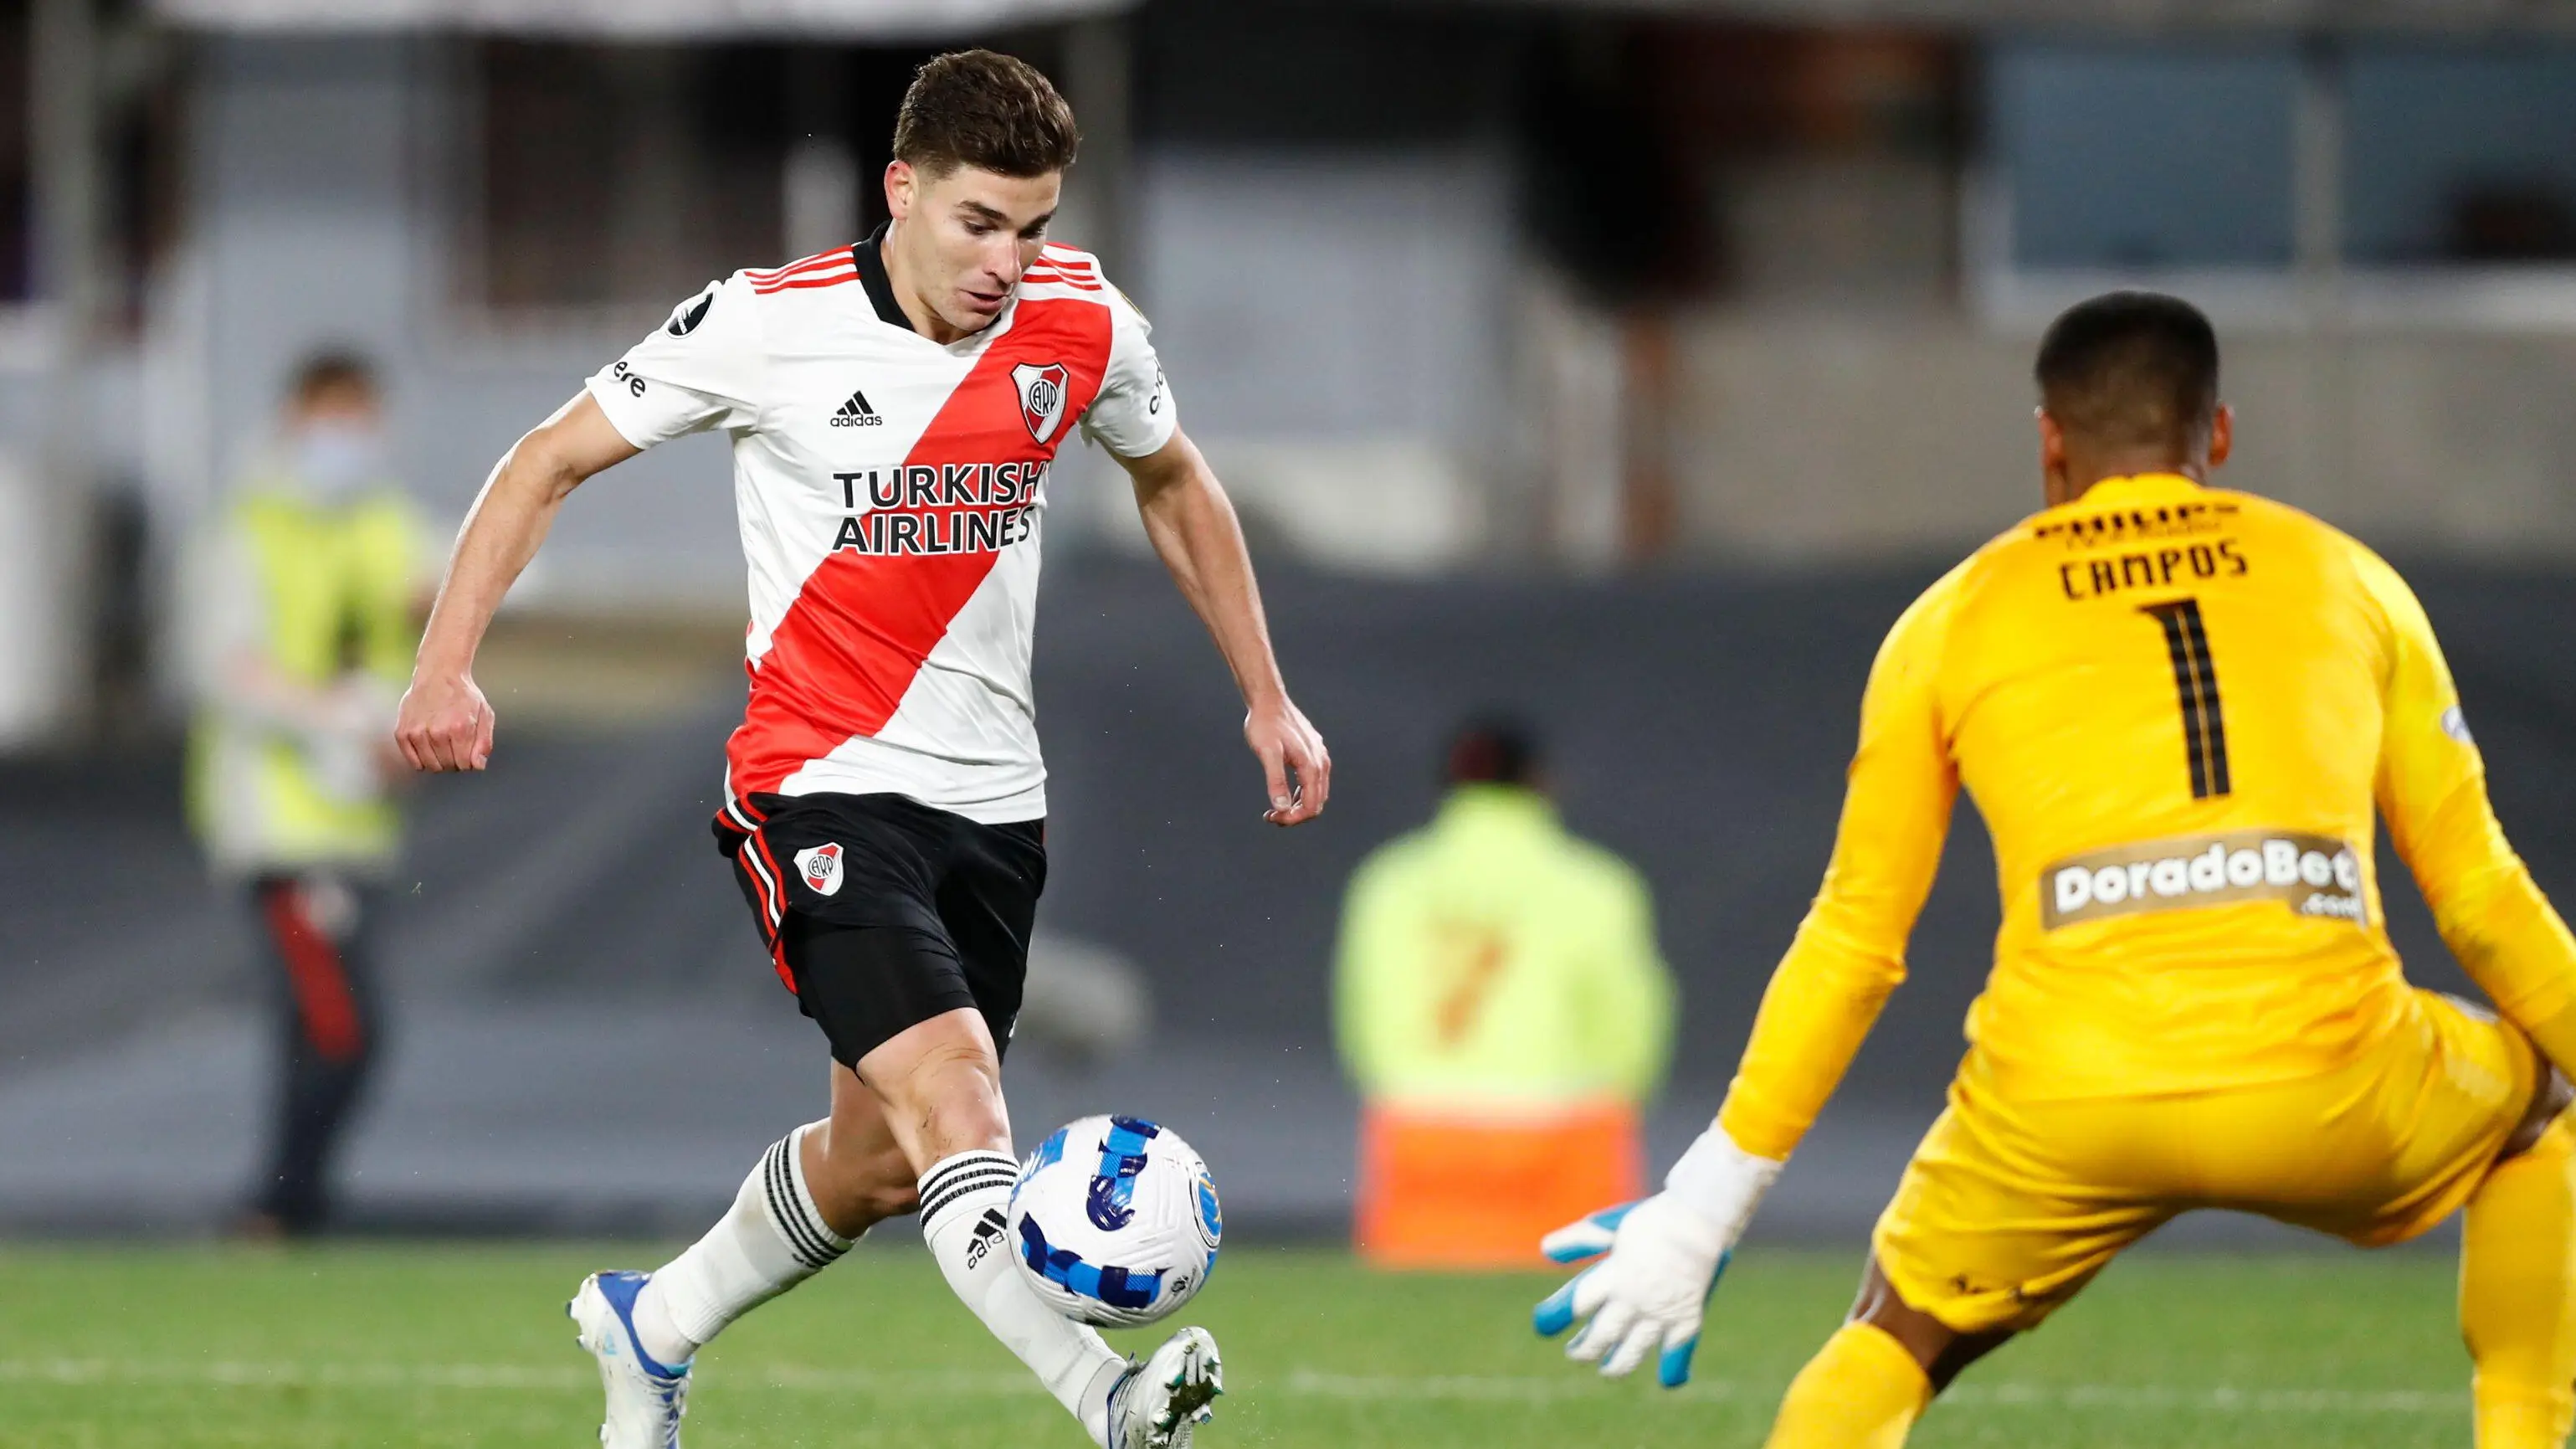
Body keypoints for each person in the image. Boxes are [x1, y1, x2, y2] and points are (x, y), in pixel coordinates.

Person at [393, 50, 1329, 1449]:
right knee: (960, 1099)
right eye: (977, 223)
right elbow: (544, 459)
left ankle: (651, 1328)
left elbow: (1174, 479)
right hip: (816, 783)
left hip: (995, 811)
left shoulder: (1080, 324)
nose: (1008, 261)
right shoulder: (764, 326)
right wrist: (445, 662)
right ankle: (1113, 1404)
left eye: (1034, 227)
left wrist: (1266, 693)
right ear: (901, 189)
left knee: (880, 1165)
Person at [1534, 291, 2576, 1449]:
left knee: (1894, 1334)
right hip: (2329, 1082)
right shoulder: (2352, 580)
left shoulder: (1948, 618)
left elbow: (1854, 939)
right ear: (2216, 437)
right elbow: (2479, 899)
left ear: (2048, 440)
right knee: (2533, 1110)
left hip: (2067, 1100)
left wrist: (1703, 1206)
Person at [181, 349, 427, 1236]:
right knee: (338, 1028)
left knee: (322, 1031)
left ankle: (288, 1210)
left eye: (363, 417)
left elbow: (429, 616)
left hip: (356, 826)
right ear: (295, 417)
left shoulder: (385, 523)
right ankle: (281, 1208)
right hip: (279, 828)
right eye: (335, 416)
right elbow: (222, 668)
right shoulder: (249, 527)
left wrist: (405, 730)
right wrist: (340, 721)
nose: (349, 438)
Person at [1334, 718, 1672, 1267]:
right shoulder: (1597, 884)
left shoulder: (1388, 881)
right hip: (1562, 1129)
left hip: (1422, 1128)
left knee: (1419, 1321)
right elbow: (1630, 1028)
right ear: (1542, 782)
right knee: (1576, 1321)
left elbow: (1362, 1020)